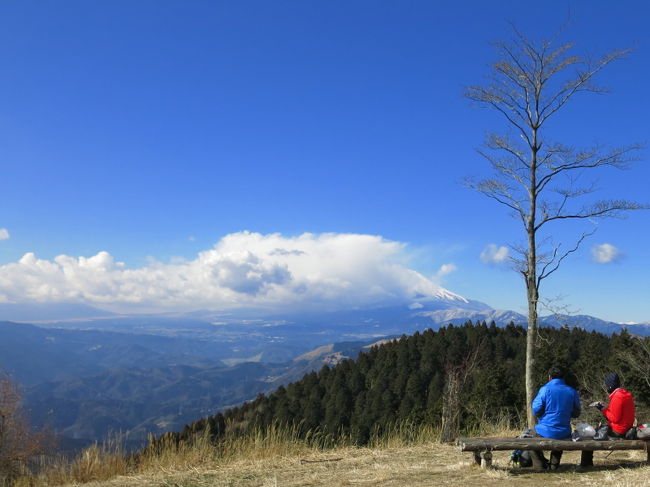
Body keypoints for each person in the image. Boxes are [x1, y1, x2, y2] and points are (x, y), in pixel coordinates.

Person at [530, 365, 581, 471]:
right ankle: (553, 465)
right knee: (560, 436)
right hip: (564, 431)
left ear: (550, 377)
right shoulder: (571, 391)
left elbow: (535, 410)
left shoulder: (544, 390)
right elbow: (577, 412)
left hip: (545, 430)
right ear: (563, 378)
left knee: (529, 437)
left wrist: (542, 416)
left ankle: (539, 466)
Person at [591, 372, 635, 437]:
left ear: (610, 386)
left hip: (619, 430)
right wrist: (604, 409)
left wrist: (602, 409)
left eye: (606, 386)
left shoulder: (617, 397)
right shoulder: (625, 394)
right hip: (627, 427)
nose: (606, 388)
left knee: (594, 432)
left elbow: (615, 418)